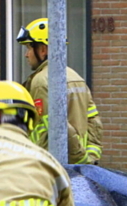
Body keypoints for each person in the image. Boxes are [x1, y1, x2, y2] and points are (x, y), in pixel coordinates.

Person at [16, 18, 103, 164]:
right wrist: (90, 158)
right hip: (78, 164)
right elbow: (94, 122)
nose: (26, 54)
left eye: (29, 48)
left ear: (43, 50)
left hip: (52, 164)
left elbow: (57, 126)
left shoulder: (41, 82)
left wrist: (80, 158)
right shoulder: (76, 77)